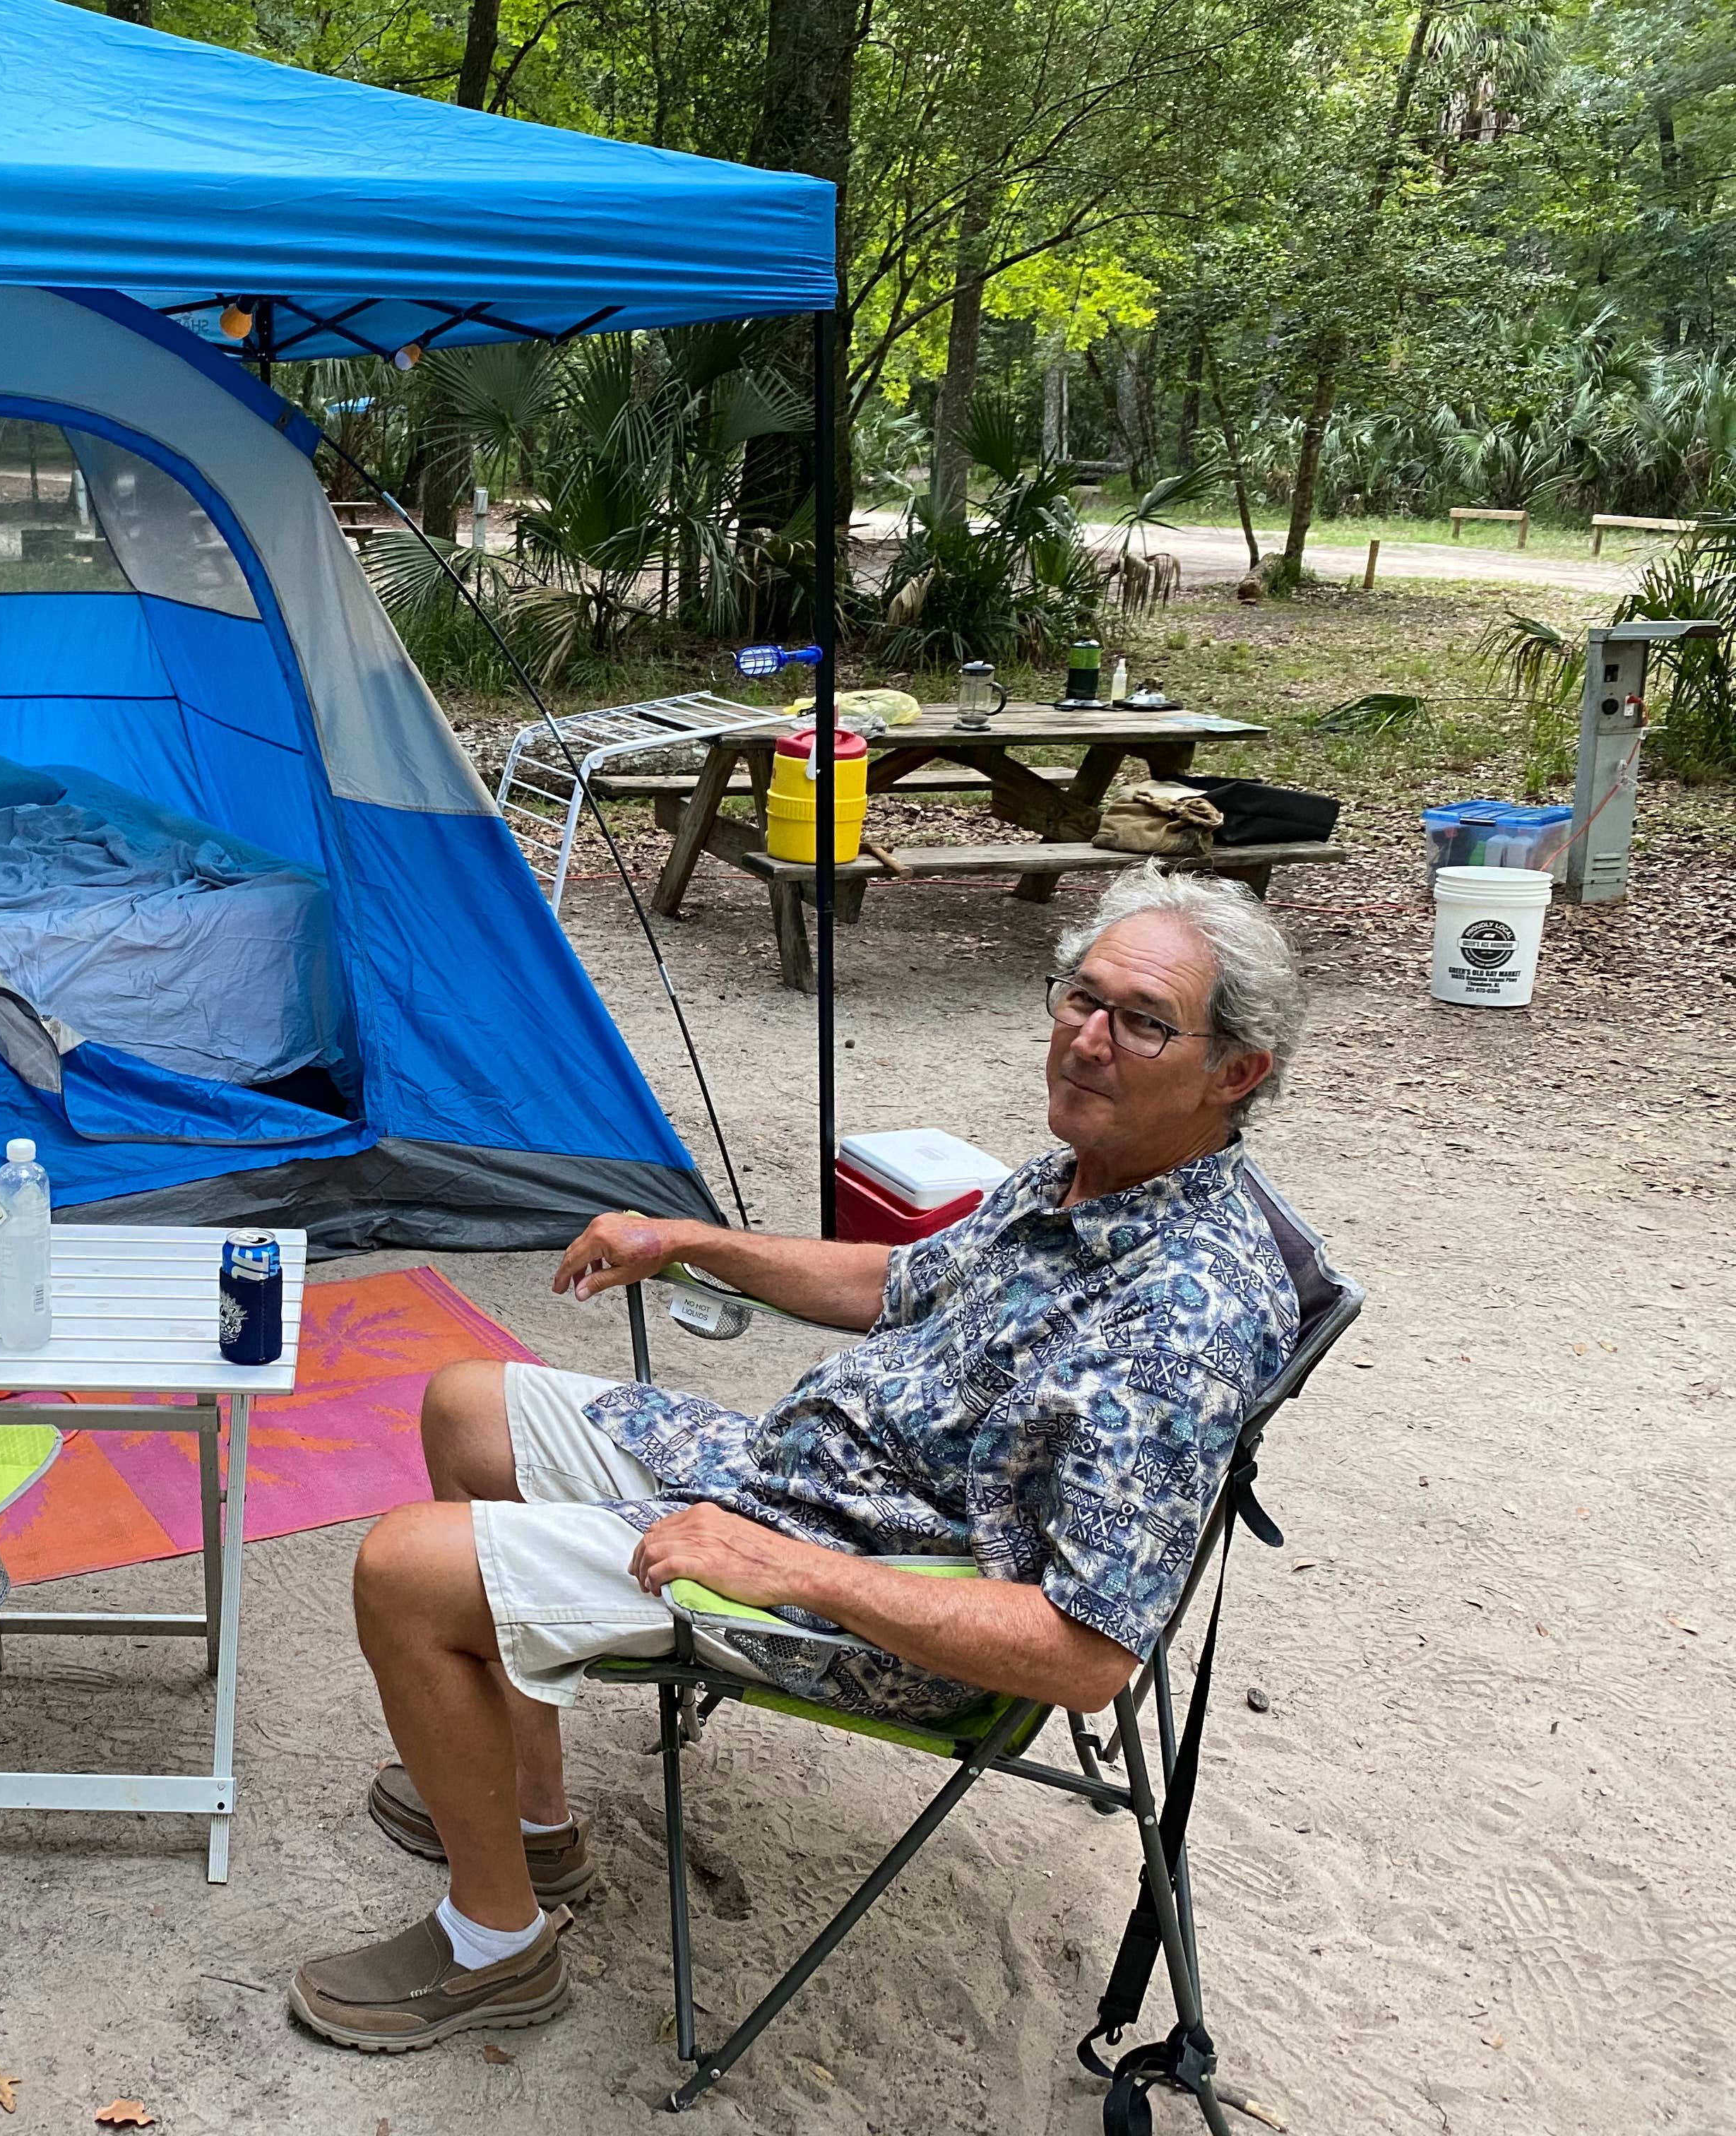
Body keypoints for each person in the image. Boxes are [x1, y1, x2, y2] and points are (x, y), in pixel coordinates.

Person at [287, 864, 1309, 2053]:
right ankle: (531, 1820)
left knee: (406, 1570)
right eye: (1079, 998)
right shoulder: (1088, 1173)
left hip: (880, 1596)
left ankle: (494, 1947)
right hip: (810, 1482)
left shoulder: (1181, 1316)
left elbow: (1084, 1655)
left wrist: (789, 1569)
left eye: (1141, 1023)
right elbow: (896, 1282)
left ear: (1237, 1072)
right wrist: (688, 1239)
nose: (1086, 1041)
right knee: (466, 1407)